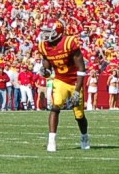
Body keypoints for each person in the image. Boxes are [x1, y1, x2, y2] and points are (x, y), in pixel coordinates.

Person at [38, 20, 90, 151]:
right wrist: (45, 71)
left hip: (74, 81)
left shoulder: (69, 42)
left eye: (50, 32)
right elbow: (47, 69)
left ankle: (84, 136)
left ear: (58, 33)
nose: (46, 35)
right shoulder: (44, 46)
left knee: (79, 115)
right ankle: (51, 141)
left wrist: (77, 90)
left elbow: (81, 67)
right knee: (55, 107)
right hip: (60, 80)